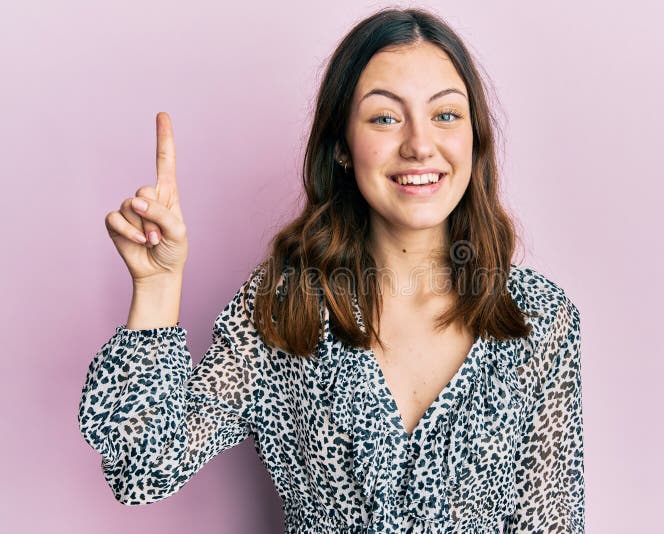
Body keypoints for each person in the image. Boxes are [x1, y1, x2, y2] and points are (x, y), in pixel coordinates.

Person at [78, 7, 584, 533]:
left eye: (446, 115)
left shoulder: (539, 320)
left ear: (474, 139)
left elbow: (553, 524)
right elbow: (142, 469)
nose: (419, 144)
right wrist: (158, 289)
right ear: (342, 146)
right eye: (385, 117)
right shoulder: (283, 305)